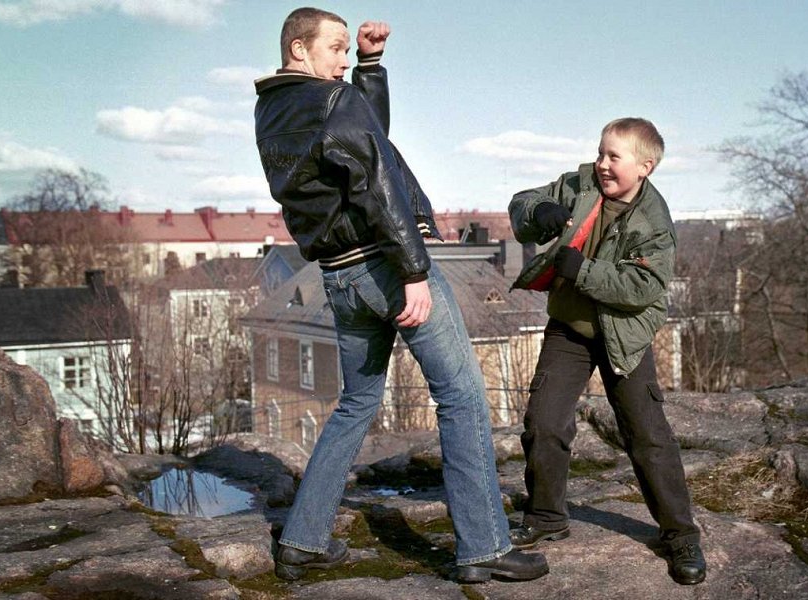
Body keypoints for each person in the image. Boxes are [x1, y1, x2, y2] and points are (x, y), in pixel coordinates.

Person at [253, 7, 548, 584]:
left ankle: (302, 541)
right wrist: (413, 268)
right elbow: (376, 176)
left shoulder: (272, 110)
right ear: (299, 50)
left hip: (337, 276)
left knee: (357, 404)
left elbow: (364, 140)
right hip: (386, 265)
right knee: (461, 396)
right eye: (336, 48)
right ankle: (483, 547)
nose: (342, 59)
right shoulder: (332, 100)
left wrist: (371, 66)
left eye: (347, 50)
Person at [507, 118, 706, 585]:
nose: (602, 164)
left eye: (614, 156)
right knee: (544, 422)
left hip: (623, 335)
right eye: (600, 153)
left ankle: (680, 535)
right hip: (570, 330)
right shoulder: (580, 185)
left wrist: (581, 270)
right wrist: (540, 212)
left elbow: (642, 287)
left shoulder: (654, 221)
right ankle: (546, 516)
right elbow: (521, 203)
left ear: (645, 167)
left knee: (647, 435)